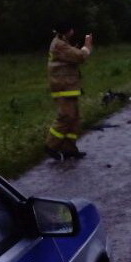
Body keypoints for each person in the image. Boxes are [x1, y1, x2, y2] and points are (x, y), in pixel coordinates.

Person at [46, 22, 93, 160]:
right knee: (65, 117)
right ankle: (51, 145)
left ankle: (69, 149)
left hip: (68, 87)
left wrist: (77, 49)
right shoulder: (59, 44)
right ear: (68, 31)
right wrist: (87, 46)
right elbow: (79, 57)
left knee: (74, 118)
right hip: (62, 87)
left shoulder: (61, 43)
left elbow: (71, 56)